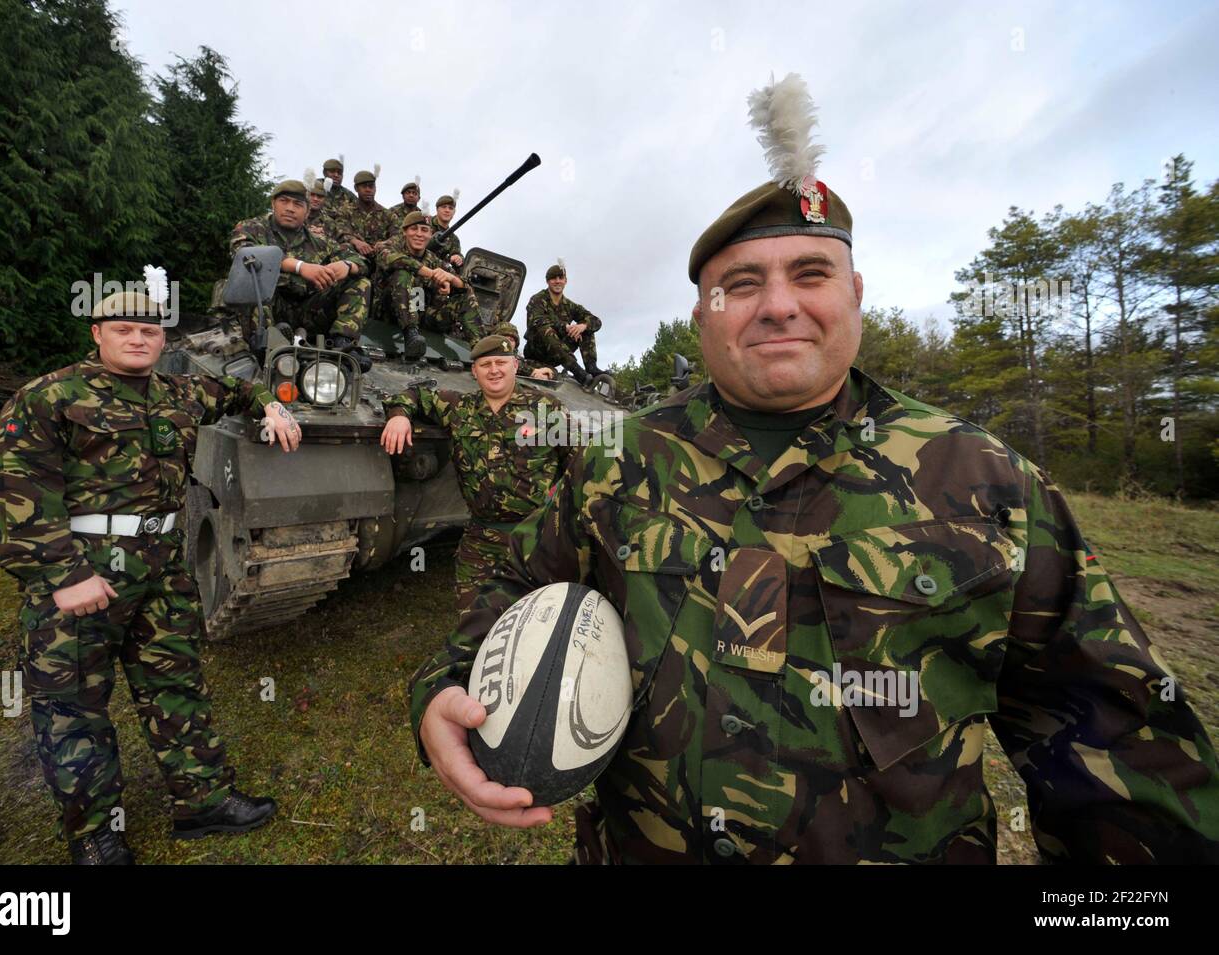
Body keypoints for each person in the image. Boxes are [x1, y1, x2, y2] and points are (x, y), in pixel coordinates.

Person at [406, 74, 1219, 864]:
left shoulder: (985, 480)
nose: (779, 305)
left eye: (810, 273)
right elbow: (513, 587)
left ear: (855, 292)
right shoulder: (622, 459)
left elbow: (1120, 752)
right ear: (702, 315)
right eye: (742, 284)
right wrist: (442, 686)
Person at [0, 288, 302, 864]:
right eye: (124, 330)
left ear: (163, 338)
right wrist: (63, 574)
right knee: (74, 705)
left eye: (150, 331)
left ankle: (203, 801)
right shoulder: (50, 395)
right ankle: (95, 836)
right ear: (97, 333)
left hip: (161, 567)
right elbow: (21, 490)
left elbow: (237, 386)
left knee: (175, 685)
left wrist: (271, 404)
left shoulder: (177, 390)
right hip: (85, 568)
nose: (138, 339)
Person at [380, 334, 572, 613]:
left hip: (535, 536)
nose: (494, 370)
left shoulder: (546, 408)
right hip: (482, 538)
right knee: (473, 620)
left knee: (541, 620)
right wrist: (399, 415)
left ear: (515, 366)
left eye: (500, 362)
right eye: (485, 364)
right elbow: (414, 394)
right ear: (474, 371)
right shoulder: (459, 408)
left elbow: (576, 462)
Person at [228, 179, 371, 352]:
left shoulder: (319, 242)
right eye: (284, 201)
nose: (290, 208)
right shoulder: (252, 227)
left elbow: (361, 261)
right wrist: (300, 267)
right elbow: (244, 253)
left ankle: (343, 343)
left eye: (297, 204)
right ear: (273, 203)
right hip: (266, 308)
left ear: (307, 211)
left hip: (308, 311)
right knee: (255, 279)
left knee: (360, 282)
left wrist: (346, 265)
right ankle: (265, 344)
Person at [375, 210, 485, 359]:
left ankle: (482, 351)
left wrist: (450, 278)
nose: (419, 234)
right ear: (405, 232)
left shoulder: (433, 259)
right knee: (404, 273)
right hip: (389, 310)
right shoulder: (392, 245)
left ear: (430, 234)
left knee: (464, 296)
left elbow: (465, 286)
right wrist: (430, 273)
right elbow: (389, 257)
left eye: (424, 230)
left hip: (422, 314)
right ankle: (410, 334)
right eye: (414, 229)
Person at [524, 261, 605, 385]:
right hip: (537, 351)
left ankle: (591, 367)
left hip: (557, 355)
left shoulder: (569, 305)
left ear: (565, 281)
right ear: (547, 281)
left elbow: (596, 321)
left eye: (560, 278)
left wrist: (583, 326)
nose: (557, 281)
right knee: (545, 329)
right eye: (553, 278)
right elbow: (536, 322)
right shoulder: (538, 299)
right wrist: (565, 327)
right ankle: (576, 370)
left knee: (585, 328)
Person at [336, 166, 394, 258]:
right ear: (356, 188)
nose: (368, 190)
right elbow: (340, 232)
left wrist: (385, 243)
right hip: (355, 256)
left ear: (375, 188)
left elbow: (399, 236)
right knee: (344, 248)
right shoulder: (345, 211)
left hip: (380, 257)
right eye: (364, 186)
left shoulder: (387, 215)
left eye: (371, 186)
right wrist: (355, 242)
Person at [431, 191, 464, 268]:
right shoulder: (424, 224)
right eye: (444, 207)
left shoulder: (453, 239)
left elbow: (456, 253)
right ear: (437, 209)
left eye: (450, 208)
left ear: (454, 212)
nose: (447, 210)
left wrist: (458, 258)